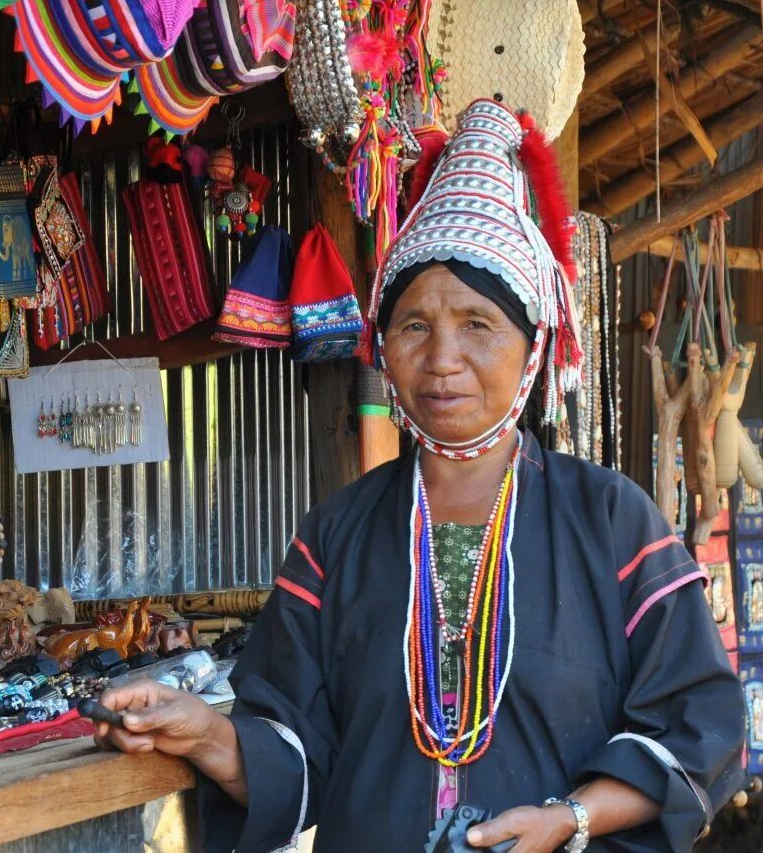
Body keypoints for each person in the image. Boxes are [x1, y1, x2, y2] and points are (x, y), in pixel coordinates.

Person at [93, 100, 745, 852]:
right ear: (383, 344)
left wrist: (571, 819)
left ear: (532, 348)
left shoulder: (612, 522)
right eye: (413, 326)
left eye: (477, 324)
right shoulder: (336, 537)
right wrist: (205, 731)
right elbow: (299, 751)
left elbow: (704, 726)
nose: (442, 360)